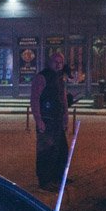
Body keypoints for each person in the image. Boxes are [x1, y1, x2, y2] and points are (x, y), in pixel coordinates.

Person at [30, 51, 69, 191]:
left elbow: (63, 97)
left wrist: (66, 116)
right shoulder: (42, 77)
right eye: (56, 62)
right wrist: (38, 120)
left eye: (61, 62)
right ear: (50, 62)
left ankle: (57, 177)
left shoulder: (59, 78)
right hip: (46, 120)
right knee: (46, 151)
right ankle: (45, 181)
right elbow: (34, 99)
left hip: (57, 119)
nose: (58, 65)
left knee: (61, 150)